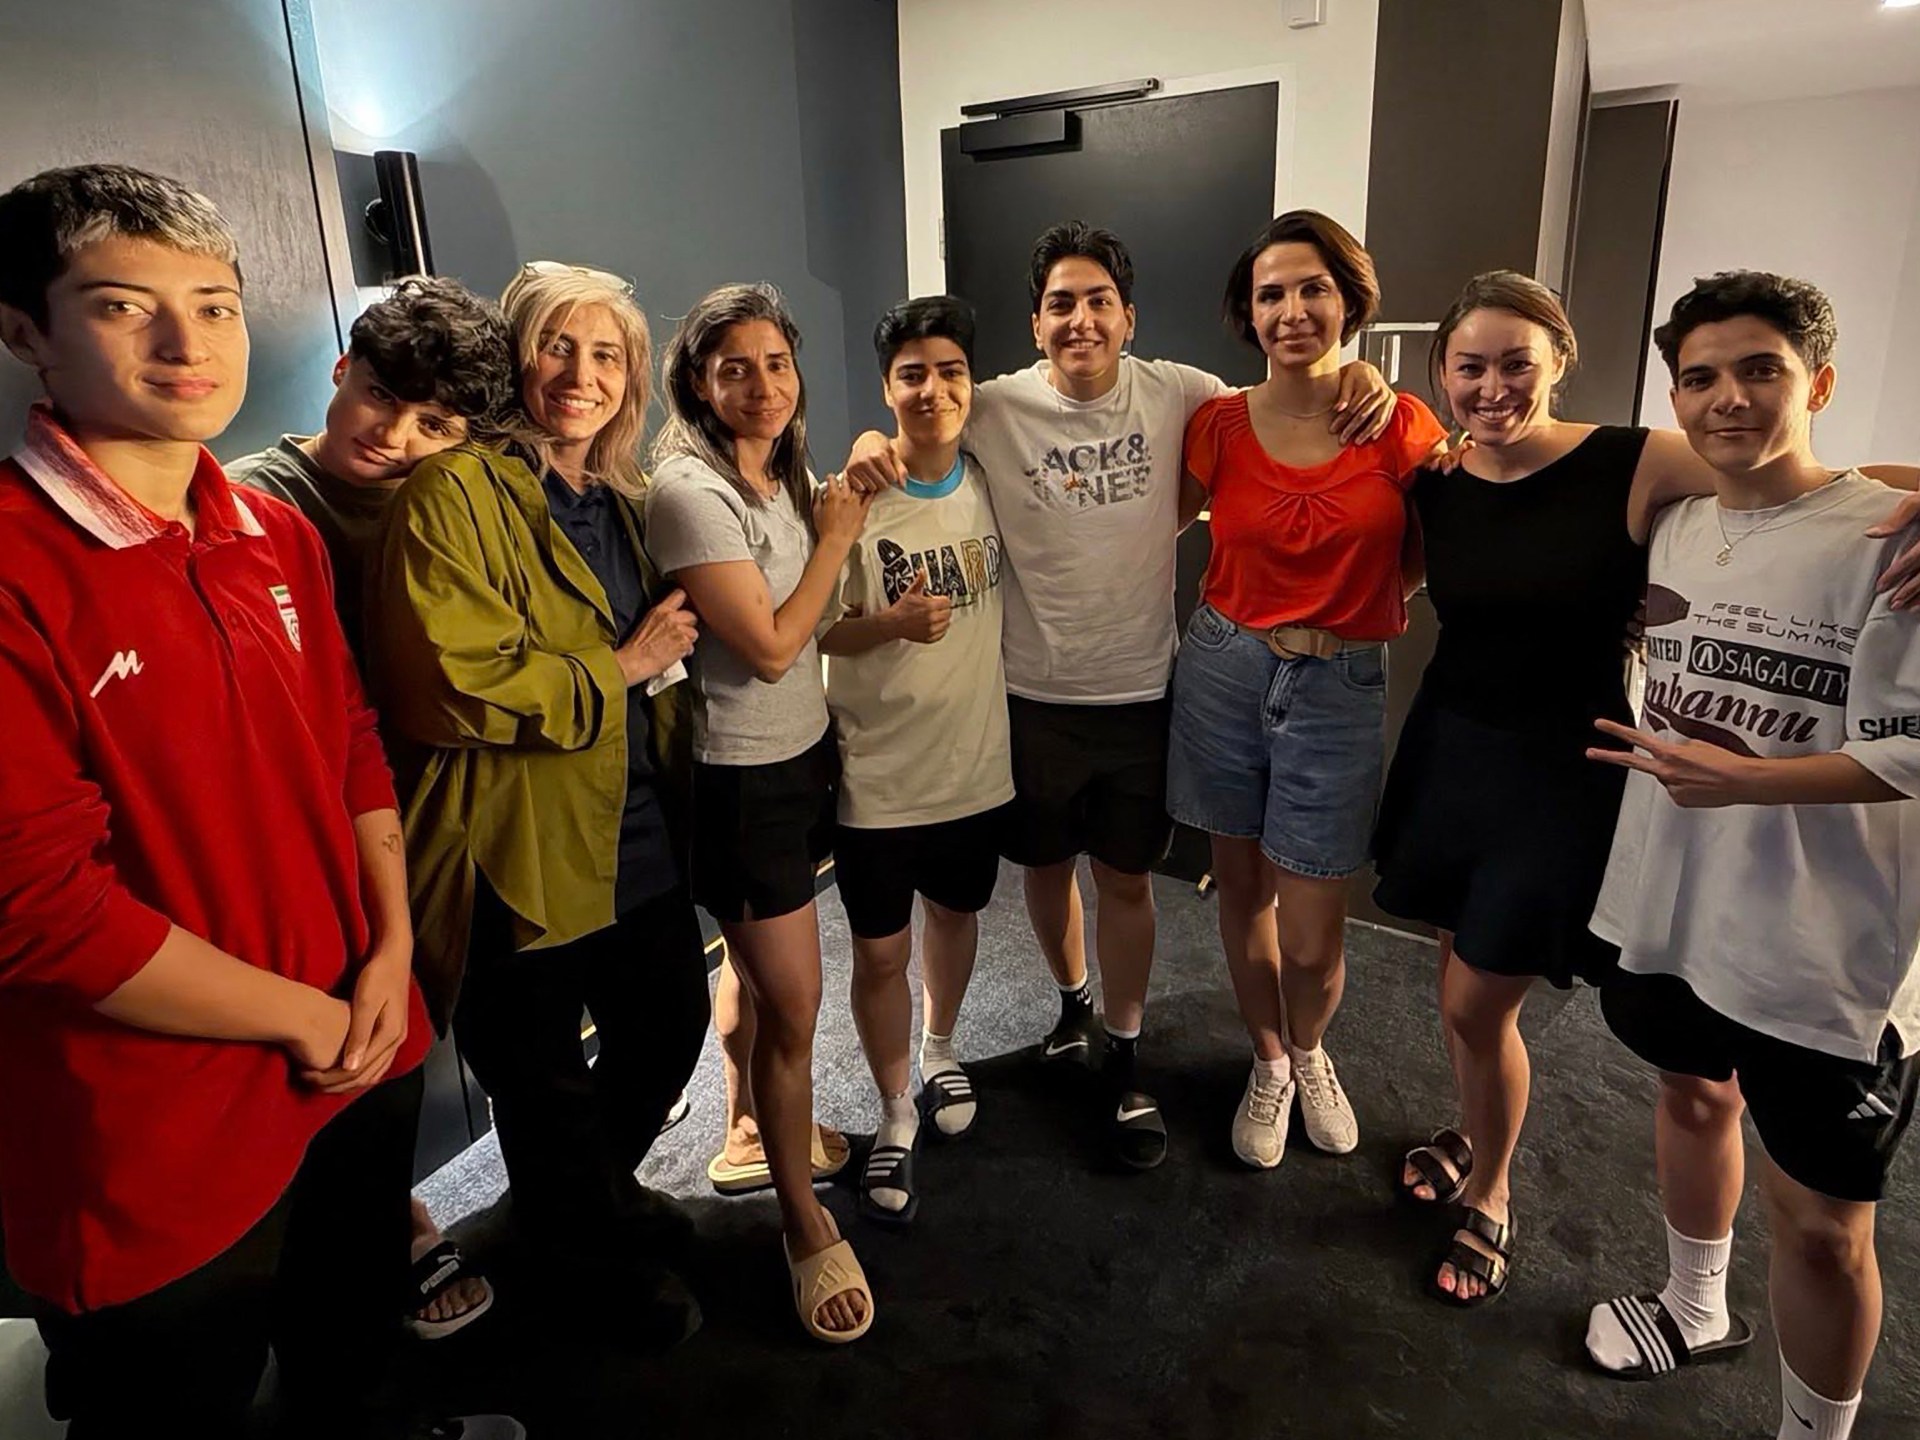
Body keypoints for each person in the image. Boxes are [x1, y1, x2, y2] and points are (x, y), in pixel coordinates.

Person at [0, 163, 516, 1439]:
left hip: (359, 1030)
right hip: (163, 1114)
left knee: (351, 1345)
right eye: (124, 305)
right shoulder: (18, 566)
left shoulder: (269, 533)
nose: (188, 345)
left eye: (216, 306)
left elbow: (349, 745)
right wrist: (306, 1014)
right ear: (24, 331)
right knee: (179, 1396)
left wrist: (389, 954)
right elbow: (43, 913)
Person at [1374, 271, 1920, 1308]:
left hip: (1559, 769)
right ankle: (1474, 1125)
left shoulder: (1635, 460)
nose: (1492, 387)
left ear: (1559, 363)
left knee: (1475, 998)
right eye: (1470, 367)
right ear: (1441, 374)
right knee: (1461, 985)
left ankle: (1492, 1189)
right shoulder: (1438, 477)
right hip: (1450, 751)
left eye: (1517, 364)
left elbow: (1813, 478)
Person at [847, 222, 1396, 1170]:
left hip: (1143, 691)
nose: (1081, 320)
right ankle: (1072, 1008)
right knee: (1045, 870)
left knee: (1129, 882)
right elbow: (915, 424)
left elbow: (1282, 400)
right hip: (1030, 694)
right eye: (1061, 304)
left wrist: (1359, 377)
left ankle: (1127, 1050)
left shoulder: (1183, 393)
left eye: (1099, 301)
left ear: (1128, 317)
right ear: (1036, 323)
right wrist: (865, 439)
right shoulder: (996, 405)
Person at [1579, 272, 1919, 1440]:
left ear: (1818, 384)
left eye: (1760, 369)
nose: (1728, 397)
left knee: (1824, 1228)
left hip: (1825, 952)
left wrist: (1751, 781)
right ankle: (1695, 1305)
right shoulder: (1676, 523)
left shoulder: (1889, 535)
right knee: (1690, 1095)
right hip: (1673, 903)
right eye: (1701, 378)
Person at [366, 260, 708, 1347]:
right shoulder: (453, 494)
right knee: (542, 1077)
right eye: (558, 345)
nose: (580, 374)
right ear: (516, 356)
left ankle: (582, 1202)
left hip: (634, 830)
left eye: (606, 354)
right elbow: (452, 683)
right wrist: (620, 666)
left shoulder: (626, 504)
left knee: (671, 1025)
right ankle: (588, 1261)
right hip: (513, 843)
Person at [228, 273, 517, 1339]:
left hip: (415, 823)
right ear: (342, 370)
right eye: (382, 398)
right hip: (297, 844)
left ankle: (381, 1229)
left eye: (433, 424)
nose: (394, 437)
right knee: (315, 1081)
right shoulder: (250, 506)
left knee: (393, 1062)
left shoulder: (448, 504)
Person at [1168, 210, 1447, 1176]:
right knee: (1240, 889)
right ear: (1248, 314)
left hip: (1338, 682)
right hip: (1224, 666)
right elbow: (1145, 527)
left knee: (1316, 927)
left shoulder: (1398, 421)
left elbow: (1434, 549)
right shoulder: (1217, 424)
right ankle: (1271, 1059)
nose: (1292, 310)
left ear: (1348, 300)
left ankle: (1313, 1047)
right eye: (1271, 294)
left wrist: (1359, 607)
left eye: (1312, 289)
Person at [644, 282, 877, 1342]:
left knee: (753, 966)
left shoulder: (781, 470)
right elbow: (777, 646)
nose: (763, 386)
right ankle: (801, 1223)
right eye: (734, 368)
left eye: (777, 363)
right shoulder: (690, 490)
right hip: (738, 781)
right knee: (796, 1007)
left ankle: (747, 1133)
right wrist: (835, 536)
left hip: (796, 759)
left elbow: (814, 623)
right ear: (698, 382)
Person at [820, 296, 1010, 1224]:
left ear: (972, 384)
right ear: (886, 387)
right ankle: (895, 1107)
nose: (933, 390)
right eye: (911, 375)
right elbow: (815, 629)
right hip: (877, 775)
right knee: (878, 950)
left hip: (974, 765)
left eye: (950, 372)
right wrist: (889, 624)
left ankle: (941, 1048)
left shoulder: (994, 480)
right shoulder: (851, 496)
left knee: (957, 915)